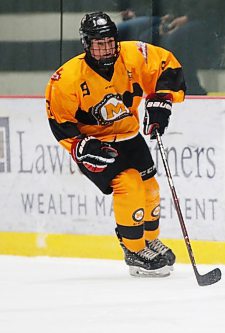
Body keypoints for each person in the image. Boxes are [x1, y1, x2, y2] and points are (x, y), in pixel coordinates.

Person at [45, 12, 186, 277]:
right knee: (129, 184)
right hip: (97, 145)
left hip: (130, 136)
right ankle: (133, 249)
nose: (107, 48)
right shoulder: (67, 78)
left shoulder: (133, 55)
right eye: (99, 44)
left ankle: (148, 240)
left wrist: (160, 101)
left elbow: (167, 64)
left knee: (150, 189)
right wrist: (81, 146)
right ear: (86, 44)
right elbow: (59, 120)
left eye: (110, 42)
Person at [118, 0, 225, 95]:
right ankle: (155, 85)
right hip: (189, 18)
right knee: (148, 36)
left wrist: (188, 18)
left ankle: (191, 88)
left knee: (177, 38)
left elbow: (213, 7)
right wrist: (171, 17)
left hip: (215, 20)